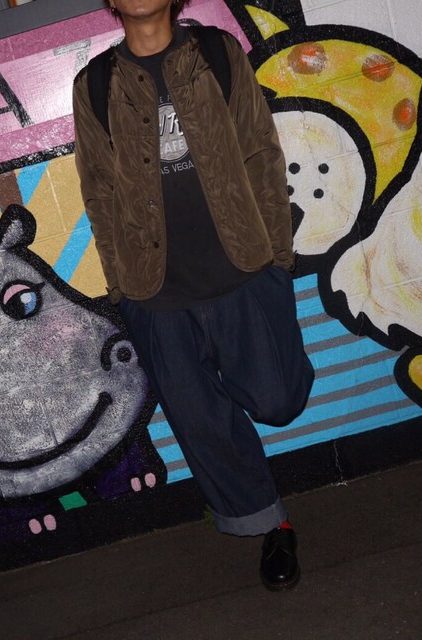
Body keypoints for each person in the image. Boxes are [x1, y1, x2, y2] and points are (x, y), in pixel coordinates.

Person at [72, 0, 314, 590]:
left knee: (279, 399)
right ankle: (269, 523)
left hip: (243, 268)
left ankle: (239, 403)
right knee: (201, 422)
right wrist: (121, 286)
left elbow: (260, 150)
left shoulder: (216, 54)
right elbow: (99, 191)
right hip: (155, 292)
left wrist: (277, 258)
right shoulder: (96, 84)